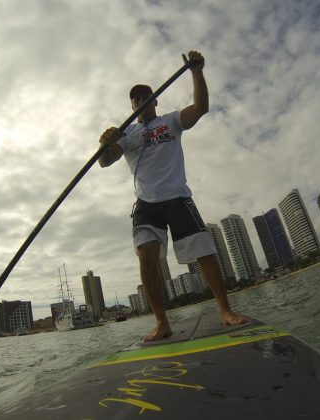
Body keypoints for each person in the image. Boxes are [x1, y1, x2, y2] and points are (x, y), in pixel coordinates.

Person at [98, 50, 248, 341]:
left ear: (155, 101)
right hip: (146, 205)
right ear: (132, 105)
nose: (141, 101)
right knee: (147, 259)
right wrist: (105, 143)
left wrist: (196, 72)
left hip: (177, 197)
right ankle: (162, 322)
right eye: (136, 99)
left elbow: (201, 108)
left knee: (204, 253)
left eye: (145, 97)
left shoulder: (171, 121)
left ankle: (226, 311)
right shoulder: (127, 134)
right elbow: (106, 161)